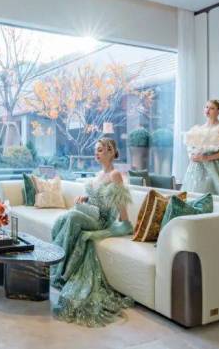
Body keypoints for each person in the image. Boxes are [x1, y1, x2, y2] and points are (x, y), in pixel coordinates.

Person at [51, 138, 134, 327]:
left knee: (72, 217)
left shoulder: (115, 175)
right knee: (65, 217)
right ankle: (58, 264)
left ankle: (61, 268)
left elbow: (119, 204)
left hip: (101, 220)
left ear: (111, 152)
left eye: (101, 150)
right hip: (92, 213)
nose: (97, 153)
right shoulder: (98, 175)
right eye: (96, 150)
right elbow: (97, 197)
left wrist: (124, 223)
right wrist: (85, 199)